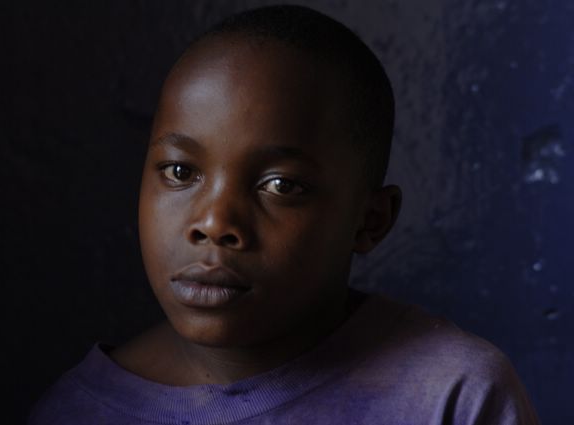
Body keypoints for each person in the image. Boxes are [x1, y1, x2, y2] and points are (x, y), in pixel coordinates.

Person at [28, 5, 540, 424]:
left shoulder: (453, 397)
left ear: (371, 220)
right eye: (180, 172)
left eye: (280, 186)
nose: (215, 223)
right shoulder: (76, 412)